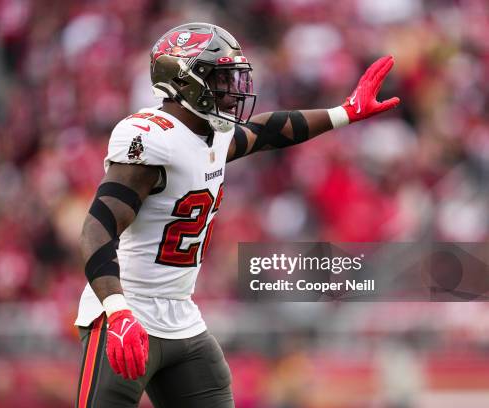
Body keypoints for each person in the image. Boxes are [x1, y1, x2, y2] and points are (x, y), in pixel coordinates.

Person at [74, 22, 399, 408]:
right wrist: (117, 310)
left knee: (212, 378)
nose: (234, 91)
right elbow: (97, 228)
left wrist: (343, 112)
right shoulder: (153, 138)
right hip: (127, 313)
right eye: (221, 78)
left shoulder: (212, 134)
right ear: (186, 80)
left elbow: (269, 131)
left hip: (180, 314)